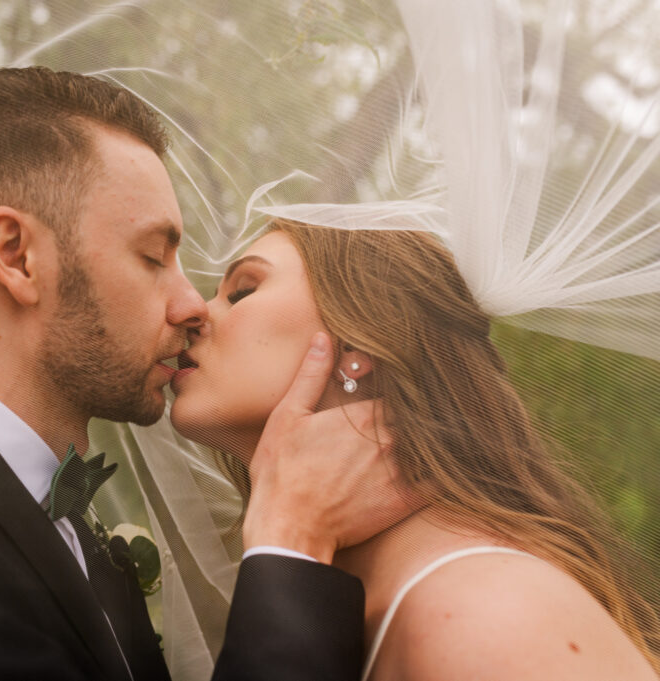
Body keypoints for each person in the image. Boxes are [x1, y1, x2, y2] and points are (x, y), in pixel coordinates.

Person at [0, 68, 408, 681]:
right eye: (153, 256)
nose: (189, 303)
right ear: (17, 256)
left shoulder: (80, 540)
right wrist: (291, 542)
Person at [169, 220, 660, 680]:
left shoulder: (487, 612)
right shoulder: (338, 595)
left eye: (243, 291)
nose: (194, 313)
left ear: (360, 350)